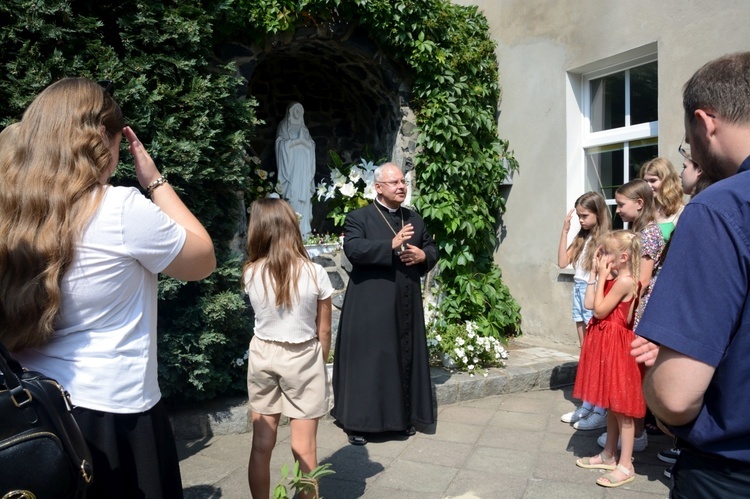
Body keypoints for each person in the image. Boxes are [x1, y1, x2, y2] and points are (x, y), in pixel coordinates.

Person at [0, 77, 216, 498]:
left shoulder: (12, 210)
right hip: (114, 418)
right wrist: (153, 180)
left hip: (35, 412)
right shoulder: (118, 208)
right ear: (104, 138)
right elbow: (202, 260)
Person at [633, 52, 750, 497]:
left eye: (687, 143)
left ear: (706, 122)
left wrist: (660, 389)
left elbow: (677, 397)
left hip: (729, 475)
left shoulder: (720, 208)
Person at [332, 162, 439, 445]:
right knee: (370, 361)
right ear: (378, 188)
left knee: (399, 358)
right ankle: (358, 423)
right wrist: (390, 246)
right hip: (370, 304)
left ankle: (400, 420)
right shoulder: (359, 217)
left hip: (405, 303)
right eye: (394, 183)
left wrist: (423, 256)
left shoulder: (414, 219)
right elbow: (353, 249)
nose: (401, 186)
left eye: (403, 181)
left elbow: (430, 247)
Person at [242, 198, 333, 499]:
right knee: (304, 447)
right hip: (303, 357)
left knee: (260, 445)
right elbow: (324, 329)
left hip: (263, 355)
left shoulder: (250, 272)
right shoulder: (315, 272)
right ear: (292, 226)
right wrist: (320, 359)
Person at [595, 179, 663, 453]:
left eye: (621, 204)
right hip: (634, 309)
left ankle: (635, 436)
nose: (618, 209)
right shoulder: (641, 231)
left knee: (630, 379)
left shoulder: (647, 234)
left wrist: (616, 290)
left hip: (639, 313)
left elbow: (642, 280)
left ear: (640, 203)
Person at [574, 230, 644, 488]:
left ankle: (626, 464)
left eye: (605, 253)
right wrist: (595, 275)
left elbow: (601, 310)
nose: (600, 257)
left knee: (623, 409)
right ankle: (609, 454)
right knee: (612, 405)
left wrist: (603, 276)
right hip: (605, 345)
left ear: (623, 257)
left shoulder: (626, 281)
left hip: (617, 348)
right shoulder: (613, 277)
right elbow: (590, 301)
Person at [557, 192, 611, 430]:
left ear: (598, 213)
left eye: (585, 215)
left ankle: (601, 408)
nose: (581, 220)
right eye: (578, 215)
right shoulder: (582, 237)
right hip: (579, 292)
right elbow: (561, 262)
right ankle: (588, 404)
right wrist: (565, 231)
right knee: (586, 351)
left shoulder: (605, 240)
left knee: (598, 353)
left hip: (592, 293)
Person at [276, 102, 316, 236]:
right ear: (290, 111)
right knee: (293, 198)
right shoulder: (284, 127)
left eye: (300, 109)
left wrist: (306, 143)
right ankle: (292, 231)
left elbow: (311, 145)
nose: (298, 112)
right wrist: (297, 142)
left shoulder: (304, 130)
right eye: (295, 109)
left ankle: (305, 230)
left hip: (304, 169)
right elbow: (280, 145)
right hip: (291, 170)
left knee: (304, 198)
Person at [639, 157, 685, 242]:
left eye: (653, 181)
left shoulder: (682, 212)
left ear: (667, 181)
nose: (648, 186)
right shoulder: (642, 211)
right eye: (645, 181)